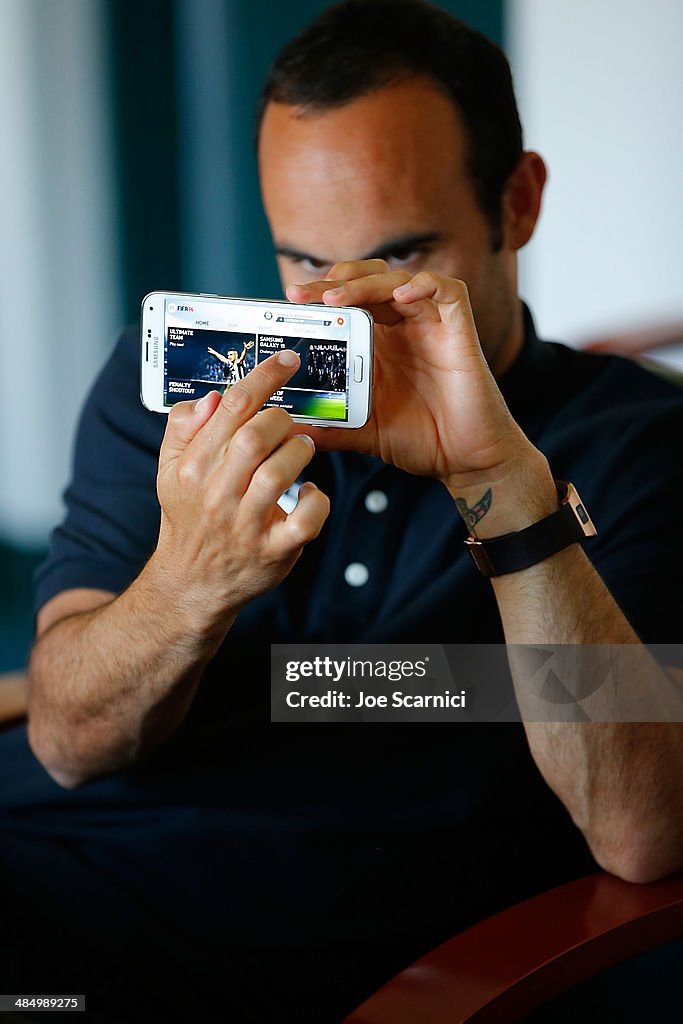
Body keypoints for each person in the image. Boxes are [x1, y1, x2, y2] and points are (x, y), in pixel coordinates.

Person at [2, 1, 682, 1021]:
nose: (339, 314)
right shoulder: (189, 394)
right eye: (303, 263)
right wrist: (187, 584)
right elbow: (68, 739)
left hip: (241, 964)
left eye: (399, 257)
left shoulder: (631, 443)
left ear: (519, 201)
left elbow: (642, 830)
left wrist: (496, 480)